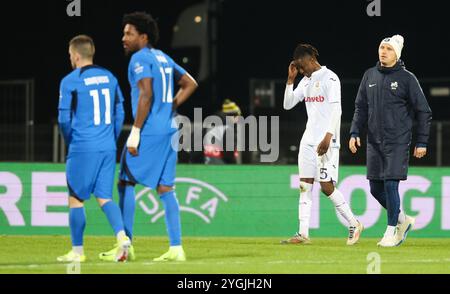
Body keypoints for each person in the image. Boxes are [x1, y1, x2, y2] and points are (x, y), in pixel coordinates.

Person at [100, 12, 198, 262]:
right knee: (166, 188)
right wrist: (170, 106)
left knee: (125, 182)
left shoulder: (140, 58)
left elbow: (145, 94)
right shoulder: (163, 57)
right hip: (169, 127)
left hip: (150, 130)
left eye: (129, 33)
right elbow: (190, 83)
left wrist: (135, 132)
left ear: (143, 37)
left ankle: (126, 246)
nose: (124, 38)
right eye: (124, 33)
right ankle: (176, 248)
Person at [349, 34, 432, 247]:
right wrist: (354, 132)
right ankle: (403, 220)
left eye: (388, 49)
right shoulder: (369, 75)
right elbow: (360, 107)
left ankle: (391, 231)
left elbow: (423, 111)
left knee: (390, 185)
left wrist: (421, 141)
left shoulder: (407, 79)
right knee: (375, 189)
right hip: (374, 142)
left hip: (397, 141)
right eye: (381, 47)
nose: (383, 51)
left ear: (397, 54)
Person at [57, 35, 129, 262]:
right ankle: (122, 237)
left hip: (82, 146)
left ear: (76, 55)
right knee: (105, 197)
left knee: (76, 198)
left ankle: (77, 252)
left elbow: (63, 119)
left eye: (70, 55)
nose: (70, 58)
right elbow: (120, 112)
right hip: (107, 147)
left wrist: (71, 140)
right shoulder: (110, 77)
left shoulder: (70, 81)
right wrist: (112, 137)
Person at [282, 43, 363, 245]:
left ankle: (354, 222)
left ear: (311, 59)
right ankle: (303, 234)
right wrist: (291, 80)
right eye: (298, 68)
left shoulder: (330, 78)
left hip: (326, 142)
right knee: (304, 186)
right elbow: (287, 104)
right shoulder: (305, 81)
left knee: (326, 187)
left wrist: (328, 136)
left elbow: (337, 111)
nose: (301, 70)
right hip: (308, 141)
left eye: (301, 66)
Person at [204, 99, 241, 164]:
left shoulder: (211, 124)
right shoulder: (228, 128)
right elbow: (229, 152)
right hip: (220, 161)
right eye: (237, 116)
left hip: (206, 160)